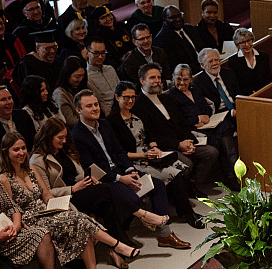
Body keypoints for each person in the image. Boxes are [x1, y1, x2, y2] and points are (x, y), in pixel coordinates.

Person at [0, 132, 140, 269]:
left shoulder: (30, 169)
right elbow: (11, 209)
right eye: (16, 150)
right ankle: (117, 246)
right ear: (6, 152)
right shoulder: (4, 178)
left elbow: (46, 194)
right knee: (79, 219)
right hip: (30, 220)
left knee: (79, 223)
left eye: (23, 148)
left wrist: (58, 205)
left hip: (47, 211)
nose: (22, 153)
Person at [70, 90, 189, 249]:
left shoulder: (104, 125)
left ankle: (165, 235)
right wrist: (120, 178)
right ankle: (130, 233)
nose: (95, 108)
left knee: (158, 185)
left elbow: (119, 150)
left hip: (121, 170)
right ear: (78, 110)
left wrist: (129, 169)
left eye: (96, 104)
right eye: (89, 106)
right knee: (132, 199)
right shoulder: (77, 135)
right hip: (105, 180)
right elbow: (92, 167)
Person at [31, 117, 137, 269]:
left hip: (79, 190)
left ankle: (115, 249)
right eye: (60, 137)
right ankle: (139, 215)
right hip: (66, 198)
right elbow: (46, 193)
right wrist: (73, 188)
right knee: (106, 190)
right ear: (48, 137)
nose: (64, 141)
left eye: (65, 137)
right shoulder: (37, 160)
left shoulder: (63, 150)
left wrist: (88, 178)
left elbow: (77, 173)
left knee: (107, 204)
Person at [107, 81, 203, 228]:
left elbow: (150, 136)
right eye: (126, 97)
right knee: (174, 174)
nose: (130, 101)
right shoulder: (112, 122)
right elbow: (118, 153)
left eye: (133, 97)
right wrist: (144, 156)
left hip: (150, 155)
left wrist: (155, 148)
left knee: (181, 168)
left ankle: (183, 209)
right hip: (134, 161)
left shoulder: (137, 115)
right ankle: (187, 212)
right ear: (117, 97)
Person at [188, 50, 240, 190]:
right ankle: (232, 176)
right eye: (210, 61)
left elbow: (239, 93)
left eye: (217, 60)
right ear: (202, 65)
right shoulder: (198, 83)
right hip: (218, 119)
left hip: (238, 111)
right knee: (226, 135)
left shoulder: (228, 73)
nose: (215, 63)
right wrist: (230, 113)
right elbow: (205, 110)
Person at [0, 86, 35, 173]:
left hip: (31, 162)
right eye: (3, 100)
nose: (9, 102)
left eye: (10, 98)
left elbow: (33, 141)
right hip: (8, 171)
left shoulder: (23, 115)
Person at [153, 5, 204, 74]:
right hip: (186, 75)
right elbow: (174, 65)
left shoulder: (190, 29)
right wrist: (200, 69)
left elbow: (202, 48)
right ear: (165, 20)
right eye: (173, 17)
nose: (178, 19)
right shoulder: (161, 39)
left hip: (204, 68)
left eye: (179, 15)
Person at [224, 28, 272, 96]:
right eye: (243, 42)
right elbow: (236, 86)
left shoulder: (264, 56)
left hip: (264, 94)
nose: (247, 45)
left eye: (248, 40)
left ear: (252, 40)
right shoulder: (233, 61)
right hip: (246, 97)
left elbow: (268, 79)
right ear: (238, 45)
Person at [86, 38, 120, 115]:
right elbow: (100, 103)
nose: (100, 57)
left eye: (103, 53)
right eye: (96, 53)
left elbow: (121, 90)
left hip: (122, 105)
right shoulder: (87, 76)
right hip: (108, 112)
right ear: (88, 53)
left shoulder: (110, 69)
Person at [52, 56, 88, 128]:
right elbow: (70, 121)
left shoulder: (85, 86)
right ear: (67, 75)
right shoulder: (60, 94)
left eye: (83, 76)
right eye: (77, 77)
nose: (81, 79)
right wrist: (89, 122)